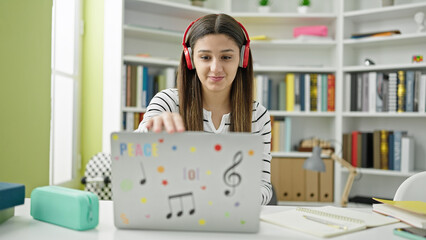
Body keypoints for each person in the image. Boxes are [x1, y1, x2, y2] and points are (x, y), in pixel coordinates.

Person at [135, 14, 273, 205]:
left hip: (232, 216)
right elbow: (136, 157)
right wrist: (151, 132)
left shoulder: (258, 115)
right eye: (205, 57)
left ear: (242, 59)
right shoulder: (167, 101)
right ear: (191, 60)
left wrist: (234, 201)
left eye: (226, 57)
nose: (216, 68)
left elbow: (264, 186)